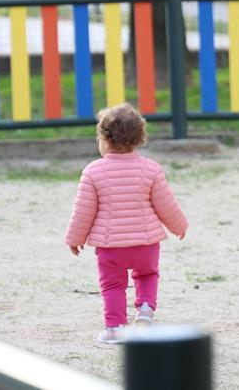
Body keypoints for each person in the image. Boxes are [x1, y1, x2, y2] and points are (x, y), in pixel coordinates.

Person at [64, 105, 189, 344]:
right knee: (148, 274)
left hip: (111, 246)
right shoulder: (151, 169)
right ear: (139, 140)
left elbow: (83, 211)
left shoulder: (93, 171)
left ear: (104, 139)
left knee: (112, 285)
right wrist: (179, 226)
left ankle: (114, 327)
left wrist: (74, 238)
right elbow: (166, 204)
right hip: (146, 242)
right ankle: (144, 313)